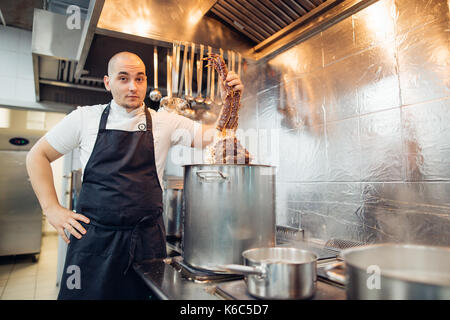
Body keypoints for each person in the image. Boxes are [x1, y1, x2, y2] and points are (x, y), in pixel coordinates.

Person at [26, 51, 244, 299]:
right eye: (123, 78)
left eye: (139, 79)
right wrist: (51, 208)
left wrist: (231, 101)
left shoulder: (165, 122)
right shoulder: (85, 118)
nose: (133, 87)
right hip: (95, 243)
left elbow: (217, 138)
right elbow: (37, 156)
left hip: (146, 243)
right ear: (108, 83)